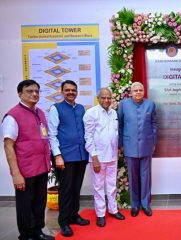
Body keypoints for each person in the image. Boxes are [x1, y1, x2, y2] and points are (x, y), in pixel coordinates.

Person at [2, 80, 54, 240]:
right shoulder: (13, 116)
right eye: (29, 91)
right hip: (25, 170)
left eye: (37, 91)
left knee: (39, 202)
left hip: (41, 167)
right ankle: (26, 235)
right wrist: (16, 174)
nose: (34, 94)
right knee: (25, 205)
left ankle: (38, 231)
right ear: (20, 94)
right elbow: (8, 146)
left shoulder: (40, 113)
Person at [48, 80, 90, 237]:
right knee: (66, 190)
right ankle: (64, 221)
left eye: (73, 90)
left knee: (76, 187)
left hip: (80, 155)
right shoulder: (56, 108)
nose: (71, 92)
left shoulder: (80, 109)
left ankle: (74, 215)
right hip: (64, 157)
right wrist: (57, 155)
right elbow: (52, 134)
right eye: (67, 90)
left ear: (77, 92)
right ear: (62, 92)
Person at [83, 88, 125, 227]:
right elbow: (88, 137)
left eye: (108, 98)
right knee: (98, 187)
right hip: (98, 158)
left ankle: (113, 210)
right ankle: (100, 214)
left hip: (112, 156)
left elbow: (115, 133)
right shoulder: (91, 113)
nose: (106, 100)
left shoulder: (113, 113)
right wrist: (94, 158)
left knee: (112, 185)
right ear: (98, 98)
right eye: (103, 98)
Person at [118, 82, 157, 217]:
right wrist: (121, 143)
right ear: (131, 92)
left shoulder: (150, 104)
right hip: (129, 146)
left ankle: (145, 204)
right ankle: (134, 205)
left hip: (146, 145)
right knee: (133, 177)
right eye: (136, 90)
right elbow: (120, 125)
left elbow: (153, 124)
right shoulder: (123, 105)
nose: (138, 92)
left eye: (141, 90)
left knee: (146, 177)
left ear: (144, 91)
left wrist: (153, 141)